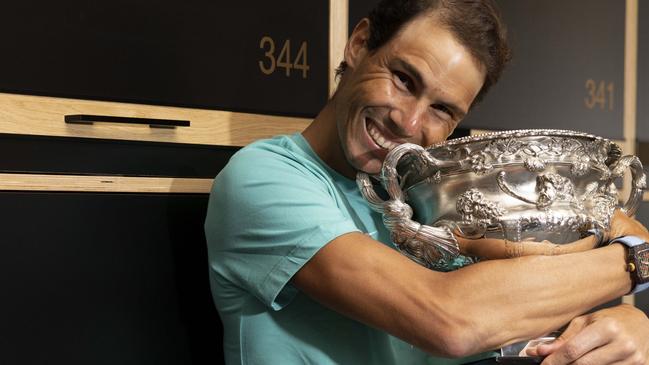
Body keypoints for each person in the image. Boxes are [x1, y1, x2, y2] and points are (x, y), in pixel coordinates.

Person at [205, 1, 649, 364]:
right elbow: (452, 322)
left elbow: (611, 241)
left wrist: (627, 327)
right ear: (359, 46)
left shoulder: (437, 196)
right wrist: (635, 266)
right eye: (403, 79)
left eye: (442, 110)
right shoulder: (264, 179)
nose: (409, 121)